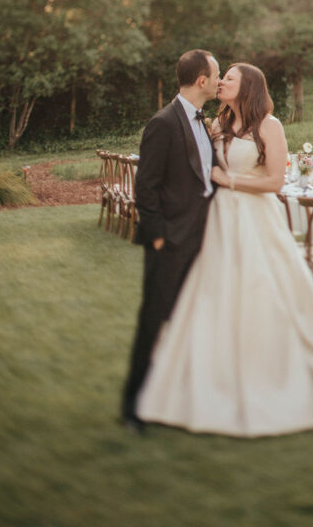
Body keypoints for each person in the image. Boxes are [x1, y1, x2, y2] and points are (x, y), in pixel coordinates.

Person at [136, 62, 313, 436]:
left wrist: (227, 179)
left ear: (248, 87)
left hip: (256, 217)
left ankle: (273, 371)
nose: (222, 82)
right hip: (219, 219)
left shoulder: (270, 126)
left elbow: (274, 182)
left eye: (230, 78)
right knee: (215, 290)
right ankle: (213, 374)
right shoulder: (216, 125)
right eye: (221, 76)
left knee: (262, 288)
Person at [121, 48, 220, 431]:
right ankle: (133, 406)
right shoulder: (163, 123)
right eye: (216, 75)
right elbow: (145, 187)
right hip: (170, 242)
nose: (219, 81)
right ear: (201, 80)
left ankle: (176, 399)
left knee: (187, 321)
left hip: (200, 239)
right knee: (153, 321)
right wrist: (159, 238)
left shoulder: (202, 121)